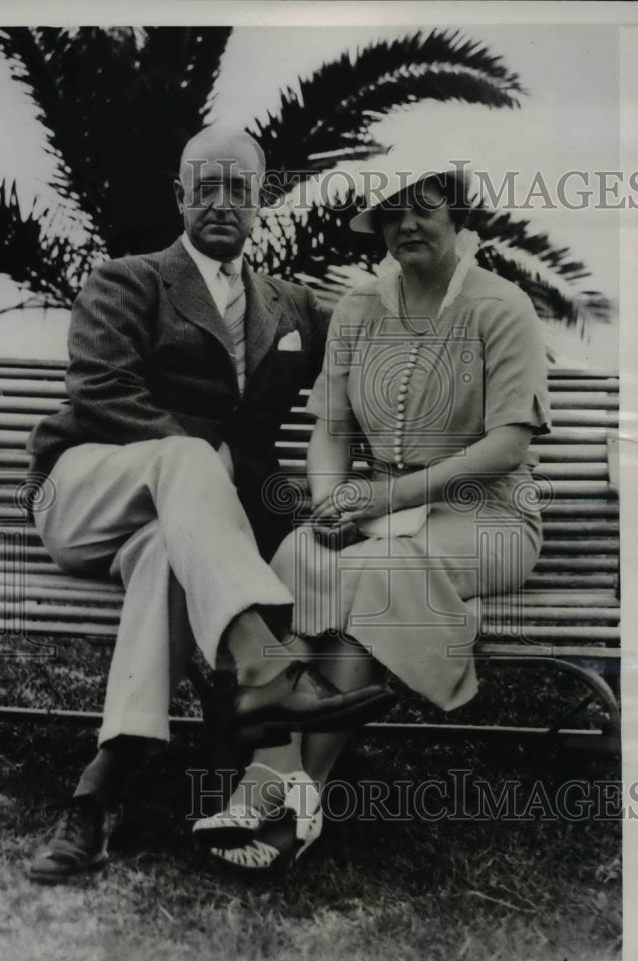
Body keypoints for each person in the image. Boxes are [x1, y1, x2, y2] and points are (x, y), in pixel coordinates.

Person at [25, 127, 389, 883]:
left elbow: (372, 350)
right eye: (206, 186)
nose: (222, 201)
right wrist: (203, 457)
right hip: (87, 492)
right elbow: (100, 392)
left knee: (168, 557)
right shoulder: (127, 280)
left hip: (177, 532)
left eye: (239, 188)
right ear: (181, 197)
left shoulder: (290, 307)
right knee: (187, 458)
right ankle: (265, 665)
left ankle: (100, 793)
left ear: (262, 203)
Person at [193, 163, 552, 871]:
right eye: (390, 214)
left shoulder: (499, 306)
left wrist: (385, 500)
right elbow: (330, 427)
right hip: (381, 515)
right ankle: (277, 778)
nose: (407, 225)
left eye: (422, 209)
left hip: (488, 519)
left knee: (374, 576)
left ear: (456, 219)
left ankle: (291, 804)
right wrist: (329, 500)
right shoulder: (359, 307)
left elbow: (508, 444)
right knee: (298, 559)